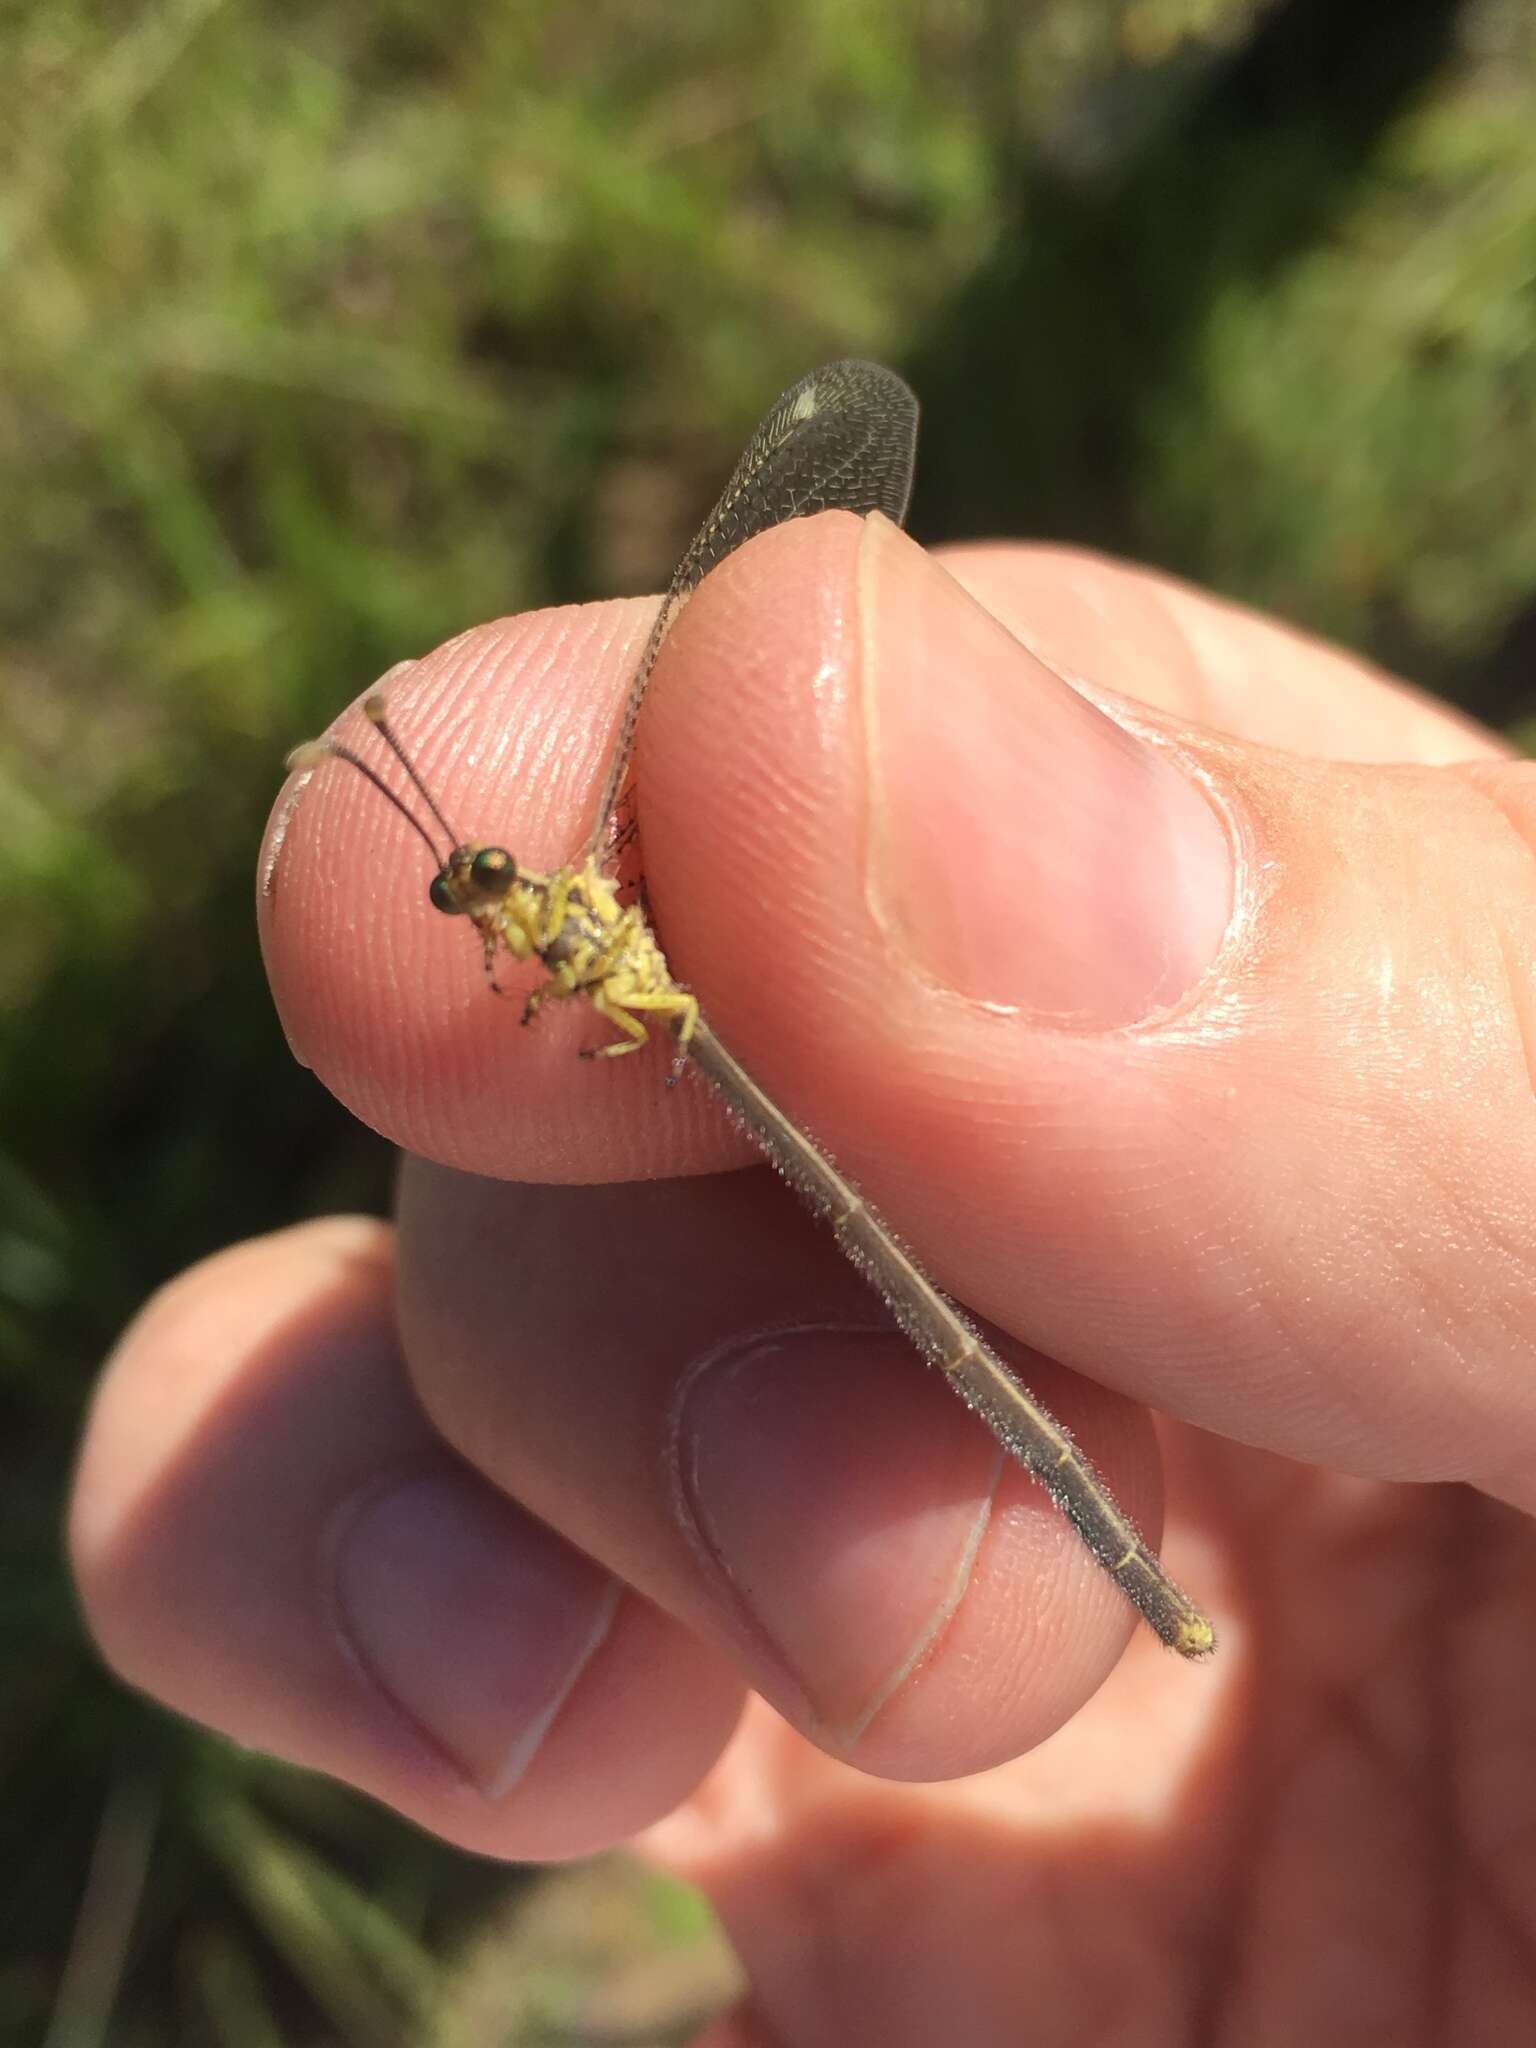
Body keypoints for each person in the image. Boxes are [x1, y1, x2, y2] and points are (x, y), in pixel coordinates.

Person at [72, 511, 1536, 2041]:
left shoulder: (558, 921)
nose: (475, 901)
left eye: (475, 890)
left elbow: (584, 1005)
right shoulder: (544, 937)